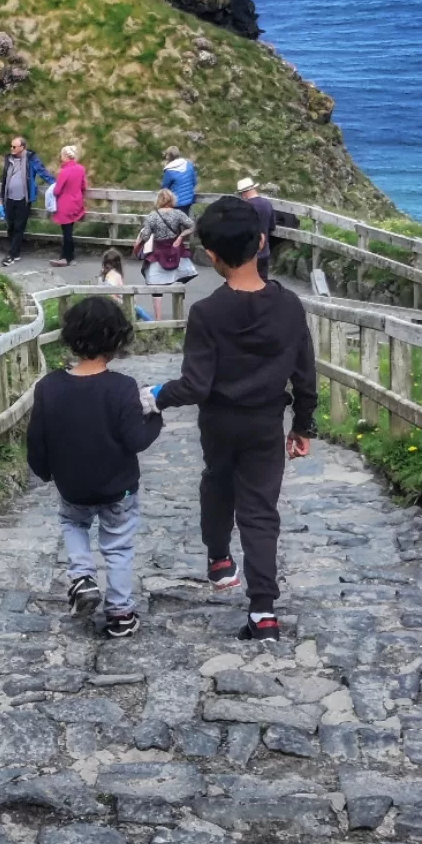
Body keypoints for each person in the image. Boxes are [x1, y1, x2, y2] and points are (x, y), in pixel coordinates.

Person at [152, 197, 316, 643]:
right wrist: (303, 426)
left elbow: (196, 385)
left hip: (220, 423)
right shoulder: (289, 307)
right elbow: (305, 373)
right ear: (262, 241)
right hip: (266, 424)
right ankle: (263, 611)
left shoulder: (206, 313)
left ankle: (219, 557)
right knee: (261, 513)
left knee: (217, 483)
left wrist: (155, 397)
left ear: (211, 256)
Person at [27, 296, 162, 639]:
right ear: (117, 341)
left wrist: (45, 471)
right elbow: (135, 440)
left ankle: (82, 576)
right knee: (117, 546)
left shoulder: (49, 387)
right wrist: (155, 418)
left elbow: (37, 440)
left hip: (72, 484)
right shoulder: (122, 388)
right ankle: (120, 614)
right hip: (119, 487)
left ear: (71, 337)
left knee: (73, 522)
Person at [134, 189, 196, 320]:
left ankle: (158, 319)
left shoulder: (152, 215)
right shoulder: (178, 214)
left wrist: (138, 242)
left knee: (156, 285)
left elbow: (145, 236)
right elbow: (193, 226)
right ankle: (178, 312)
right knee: (181, 277)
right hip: (175, 251)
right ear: (172, 199)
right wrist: (180, 237)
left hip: (159, 251)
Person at [0, 134, 54, 266]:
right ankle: (15, 253)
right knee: (10, 226)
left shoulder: (31, 159)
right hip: (9, 199)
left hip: (24, 199)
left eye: (14, 146)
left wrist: (57, 184)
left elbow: (43, 173)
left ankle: (11, 255)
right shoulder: (9, 159)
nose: (11, 148)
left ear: (22, 147)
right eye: (11, 146)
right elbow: (4, 180)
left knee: (19, 227)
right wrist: (1, 198)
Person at [49, 144, 87, 268]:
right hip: (76, 202)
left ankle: (66, 257)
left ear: (66, 156)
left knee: (66, 232)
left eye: (62, 155)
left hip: (65, 204)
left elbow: (57, 191)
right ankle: (69, 256)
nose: (61, 157)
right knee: (69, 230)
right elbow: (83, 186)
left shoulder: (64, 171)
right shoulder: (81, 169)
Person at [236, 176, 277, 279]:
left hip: (248, 254)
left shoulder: (244, 208)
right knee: (263, 282)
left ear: (244, 193)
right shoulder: (267, 204)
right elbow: (272, 226)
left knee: (246, 283)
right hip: (264, 252)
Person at [101, 248, 153, 322]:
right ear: (118, 263)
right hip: (115, 302)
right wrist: (132, 300)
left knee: (137, 312)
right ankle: (154, 325)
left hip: (104, 302)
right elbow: (120, 293)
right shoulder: (116, 275)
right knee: (139, 310)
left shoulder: (103, 275)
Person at [161, 146, 199, 213]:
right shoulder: (189, 165)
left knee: (175, 222)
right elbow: (194, 181)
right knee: (185, 220)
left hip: (176, 203)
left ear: (168, 156)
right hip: (189, 200)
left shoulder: (169, 170)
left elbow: (164, 188)